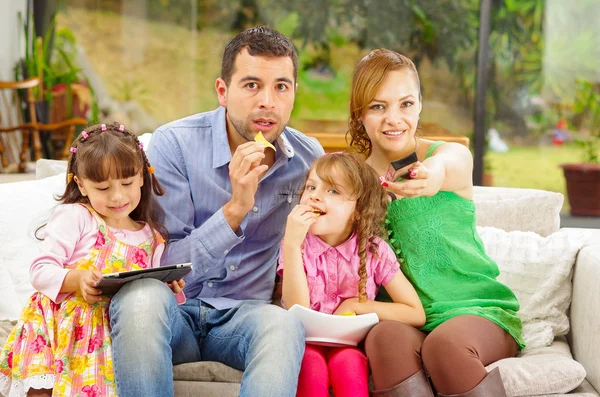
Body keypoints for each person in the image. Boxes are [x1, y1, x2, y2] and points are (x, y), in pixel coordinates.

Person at [107, 26, 324, 397]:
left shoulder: (308, 160)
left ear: (294, 95)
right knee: (139, 298)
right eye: (252, 85)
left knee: (283, 325)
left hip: (246, 317)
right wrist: (236, 209)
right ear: (223, 91)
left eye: (281, 87)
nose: (268, 102)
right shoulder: (173, 145)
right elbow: (162, 260)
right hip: (177, 310)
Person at [347, 49, 524, 397]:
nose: (394, 119)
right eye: (378, 106)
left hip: (477, 311)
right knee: (383, 338)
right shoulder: (354, 181)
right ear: (360, 113)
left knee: (444, 345)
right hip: (409, 318)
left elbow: (446, 166)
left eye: (406, 104)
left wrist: (429, 177)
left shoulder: (446, 157)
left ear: (420, 105)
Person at [0, 122, 182, 397]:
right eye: (103, 188)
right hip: (60, 329)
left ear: (143, 177)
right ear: (82, 185)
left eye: (127, 183)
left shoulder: (152, 238)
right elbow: (40, 270)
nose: (118, 196)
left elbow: (148, 302)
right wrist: (77, 278)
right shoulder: (77, 217)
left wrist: (170, 290)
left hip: (110, 336)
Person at [279, 152, 425, 397]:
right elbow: (297, 309)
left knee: (348, 363)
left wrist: (356, 304)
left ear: (358, 210)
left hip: (350, 346)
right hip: (303, 343)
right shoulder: (296, 244)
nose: (314, 195)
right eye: (312, 186)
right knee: (310, 363)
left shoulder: (374, 250)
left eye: (332, 191)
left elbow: (415, 313)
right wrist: (292, 245)